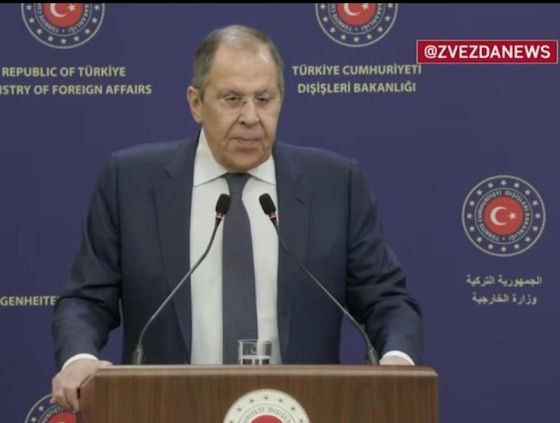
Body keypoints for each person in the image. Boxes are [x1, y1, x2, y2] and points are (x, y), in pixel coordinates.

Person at [50, 24, 422, 412]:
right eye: (232, 99)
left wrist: (397, 360)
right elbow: (86, 300)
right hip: (167, 411)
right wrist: (80, 358)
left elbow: (386, 299)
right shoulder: (130, 182)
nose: (251, 117)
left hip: (300, 412)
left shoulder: (335, 184)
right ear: (196, 103)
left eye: (264, 99)